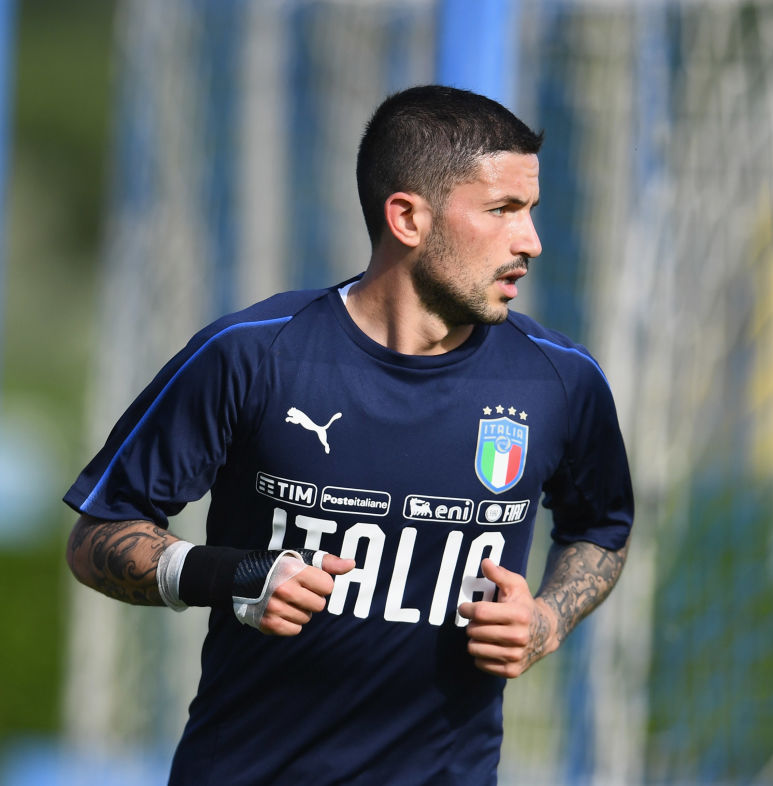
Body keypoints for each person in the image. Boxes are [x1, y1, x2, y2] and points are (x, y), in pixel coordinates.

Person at [64, 84, 633, 785]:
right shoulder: (252, 355)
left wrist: (547, 619)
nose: (531, 242)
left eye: (531, 211)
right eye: (502, 210)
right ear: (407, 217)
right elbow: (98, 535)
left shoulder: (561, 380)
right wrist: (234, 575)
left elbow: (601, 527)